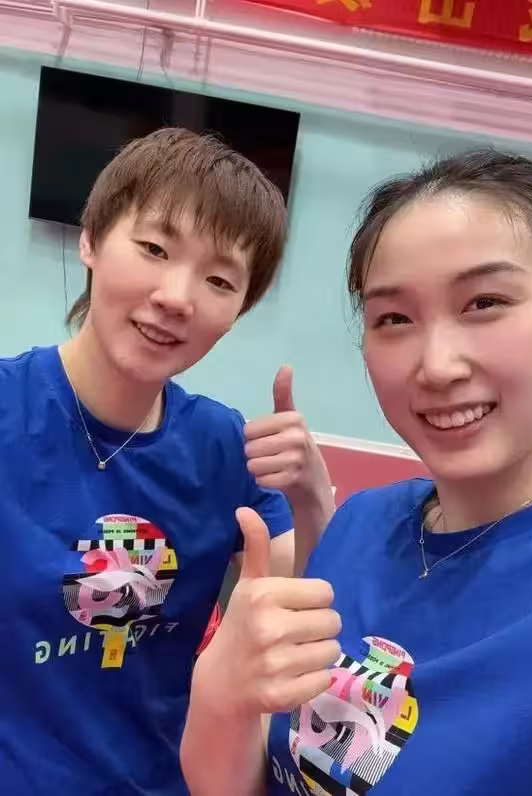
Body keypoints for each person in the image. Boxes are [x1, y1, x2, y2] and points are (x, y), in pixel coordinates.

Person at [181, 149, 532, 796]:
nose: (438, 365)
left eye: (484, 302)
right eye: (394, 318)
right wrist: (220, 698)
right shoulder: (361, 525)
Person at [0, 127, 334, 794]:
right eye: (154, 249)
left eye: (219, 279)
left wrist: (313, 498)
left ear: (238, 311)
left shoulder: (221, 446)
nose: (177, 297)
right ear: (91, 239)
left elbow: (315, 601)